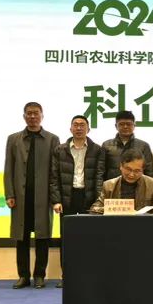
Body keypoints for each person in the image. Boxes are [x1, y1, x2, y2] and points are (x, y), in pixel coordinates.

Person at [4, 102, 60, 289]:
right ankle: (23, 276)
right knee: (21, 238)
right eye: (29, 113)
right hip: (20, 197)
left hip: (43, 197)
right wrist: (9, 193)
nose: (33, 116)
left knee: (43, 238)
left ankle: (39, 276)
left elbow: (55, 171)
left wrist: (55, 198)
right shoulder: (14, 139)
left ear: (42, 116)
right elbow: (8, 168)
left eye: (36, 113)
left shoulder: (52, 139)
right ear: (24, 116)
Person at [50, 115, 104, 289]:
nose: (79, 128)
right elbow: (54, 177)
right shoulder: (60, 150)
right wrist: (56, 200)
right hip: (67, 198)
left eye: (82, 125)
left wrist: (99, 201)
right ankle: (66, 275)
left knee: (90, 239)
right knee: (67, 239)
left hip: (89, 198)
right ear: (70, 128)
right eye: (76, 125)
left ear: (88, 129)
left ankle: (89, 275)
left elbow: (99, 176)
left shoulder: (97, 149)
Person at [90, 148, 153, 214]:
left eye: (137, 171)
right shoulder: (109, 186)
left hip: (142, 223)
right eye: (128, 169)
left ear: (142, 170)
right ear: (121, 166)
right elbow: (94, 210)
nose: (131, 174)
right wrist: (112, 209)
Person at [100, 110, 153, 182]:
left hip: (137, 186)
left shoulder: (144, 146)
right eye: (121, 124)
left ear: (134, 125)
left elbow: (149, 172)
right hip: (113, 186)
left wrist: (149, 187)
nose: (125, 127)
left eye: (128, 124)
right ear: (116, 126)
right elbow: (100, 171)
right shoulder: (106, 145)